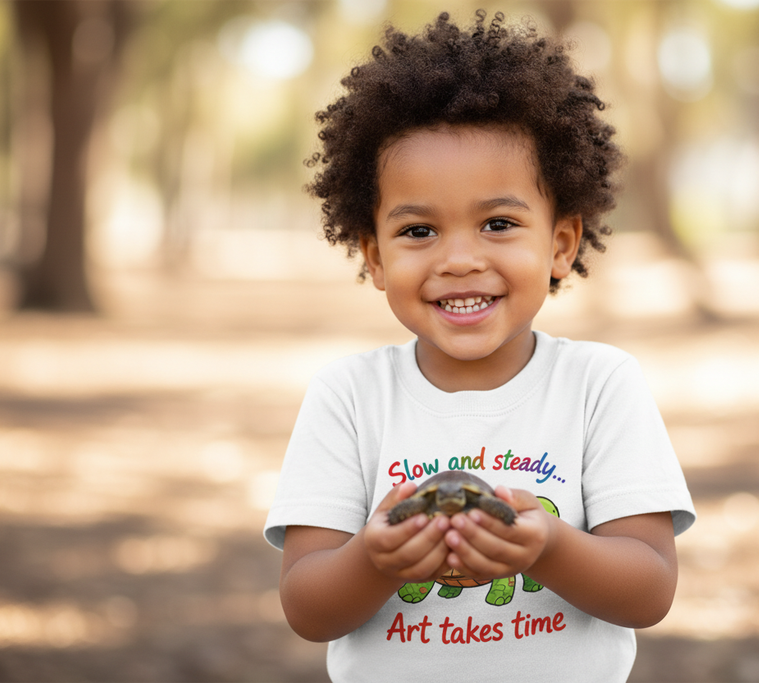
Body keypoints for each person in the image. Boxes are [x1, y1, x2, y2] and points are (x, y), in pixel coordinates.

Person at [264, 10, 695, 682]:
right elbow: (306, 605)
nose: (460, 258)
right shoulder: (349, 396)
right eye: (418, 231)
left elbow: (649, 587)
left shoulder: (598, 385)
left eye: (498, 223)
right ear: (373, 256)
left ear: (561, 243)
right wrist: (375, 560)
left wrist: (548, 545)